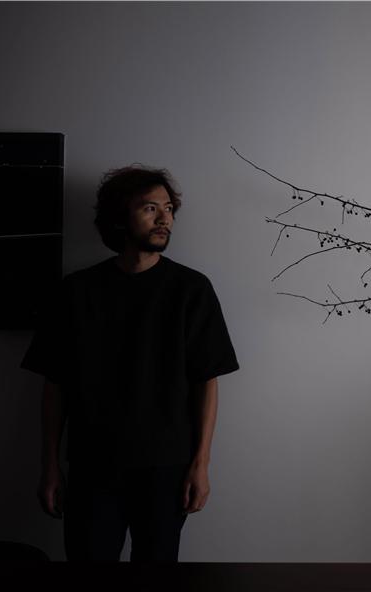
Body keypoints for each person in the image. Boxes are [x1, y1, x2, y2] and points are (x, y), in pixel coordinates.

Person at [21, 165, 239, 562]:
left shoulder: (191, 290)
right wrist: (49, 464)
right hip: (93, 465)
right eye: (150, 208)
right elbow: (55, 384)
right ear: (120, 216)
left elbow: (206, 381)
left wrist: (201, 464)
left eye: (168, 209)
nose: (164, 219)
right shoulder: (77, 291)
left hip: (166, 467)